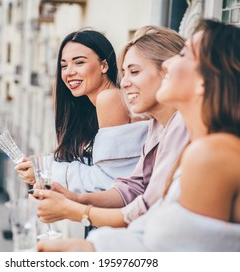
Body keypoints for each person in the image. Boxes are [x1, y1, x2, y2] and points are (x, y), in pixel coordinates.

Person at [38, 19, 240, 252]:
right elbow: (142, 202)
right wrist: (79, 217)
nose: (169, 65)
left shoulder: (212, 154)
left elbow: (164, 247)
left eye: (184, 56)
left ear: (207, 80)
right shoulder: (181, 136)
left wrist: (80, 220)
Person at [32, 26, 188, 228]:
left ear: (168, 72)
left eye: (134, 72)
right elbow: (133, 186)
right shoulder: (158, 125)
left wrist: (77, 210)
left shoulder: (183, 126)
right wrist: (75, 200)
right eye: (124, 73)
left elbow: (149, 208)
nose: (124, 83)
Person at [16, 29, 149, 193]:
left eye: (79, 62)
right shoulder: (90, 109)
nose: (69, 72)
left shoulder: (109, 99)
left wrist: (47, 172)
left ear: (104, 65)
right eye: (64, 65)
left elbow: (107, 181)